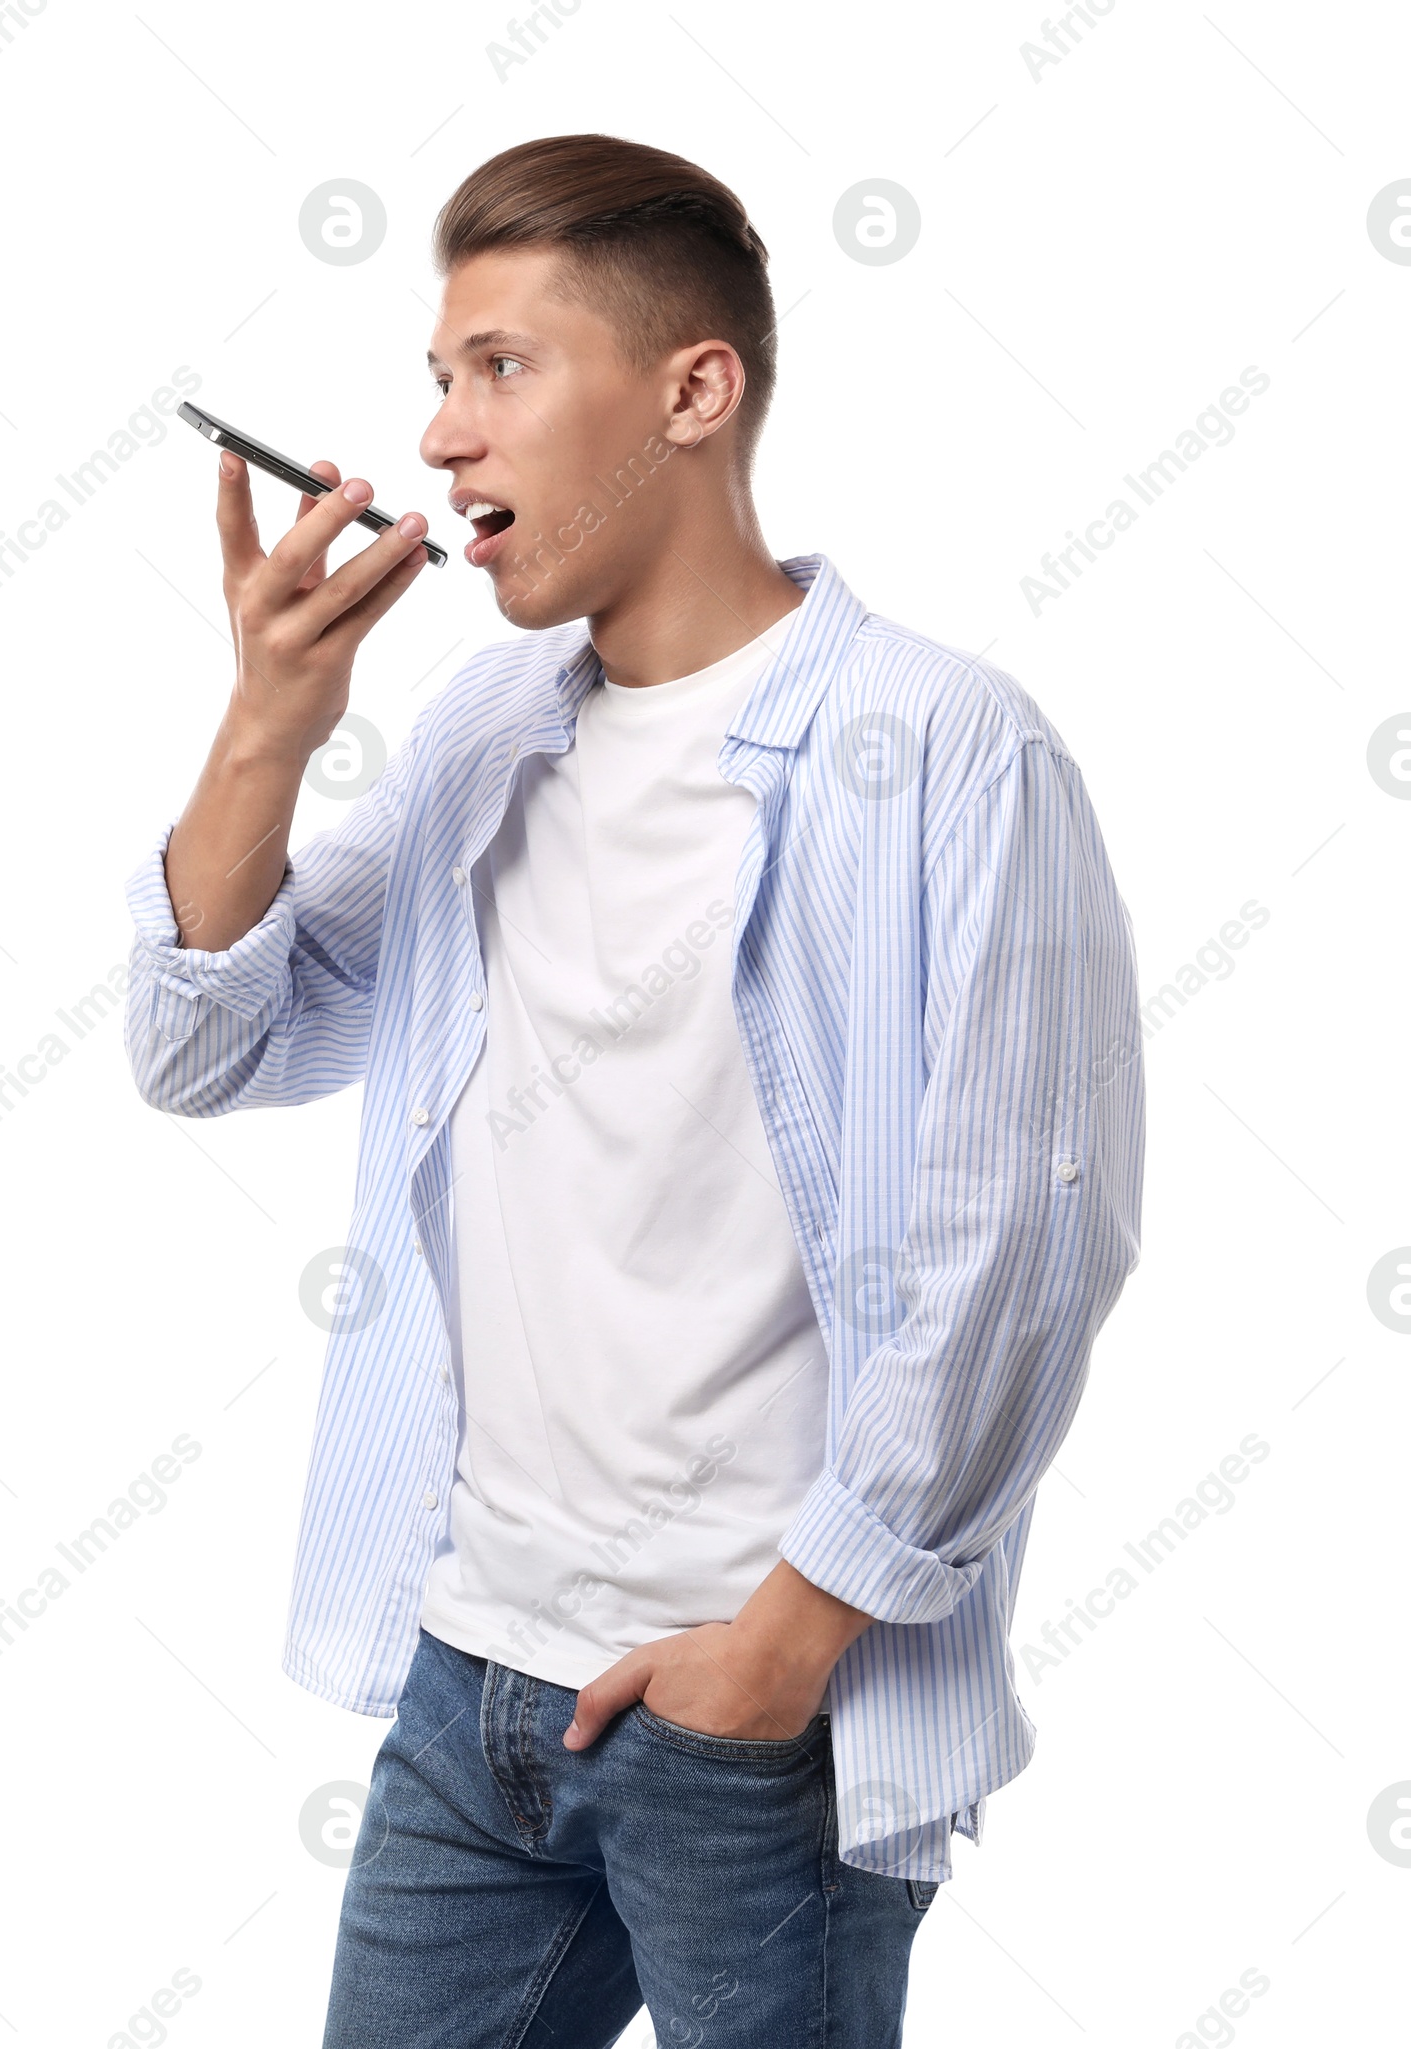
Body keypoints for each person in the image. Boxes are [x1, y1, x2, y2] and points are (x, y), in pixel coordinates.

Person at [124, 132, 1145, 2049]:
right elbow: (206, 1042)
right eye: (439, 379)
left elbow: (1026, 1237)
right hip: (467, 1673)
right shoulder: (487, 731)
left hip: (754, 1705)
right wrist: (267, 727)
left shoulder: (938, 747)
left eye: (499, 368)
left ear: (694, 391)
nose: (439, 440)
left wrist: (789, 1641)